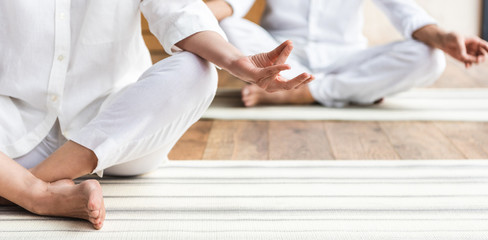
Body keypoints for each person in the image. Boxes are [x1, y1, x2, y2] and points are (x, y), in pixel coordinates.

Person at [0, 0, 313, 229]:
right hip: (12, 128)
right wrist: (35, 194)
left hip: (118, 136)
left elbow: (179, 11)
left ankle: (14, 186)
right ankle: (38, 194)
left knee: (197, 70)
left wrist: (236, 62)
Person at [206, 0, 488, 107]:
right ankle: (352, 90)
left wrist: (444, 38)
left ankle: (309, 92)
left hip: (347, 59)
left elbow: (406, 14)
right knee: (229, 27)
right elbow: (232, 5)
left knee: (429, 58)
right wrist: (183, 18)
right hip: (286, 57)